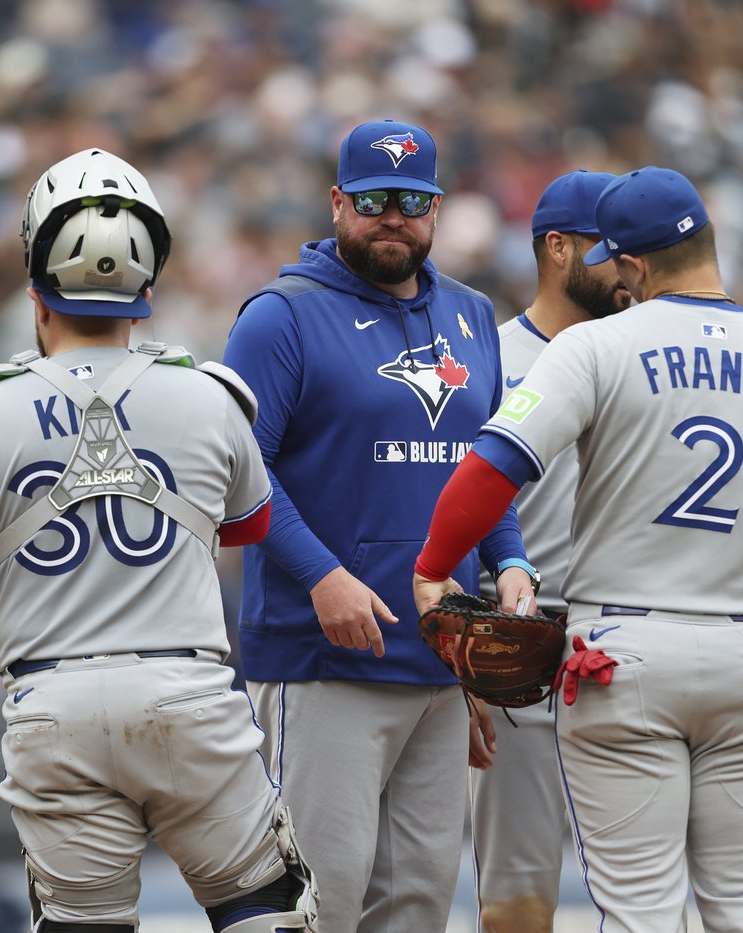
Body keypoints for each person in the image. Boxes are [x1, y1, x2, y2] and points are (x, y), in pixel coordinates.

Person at [412, 166, 743, 932]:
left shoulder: (598, 345)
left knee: (639, 913)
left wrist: (432, 569)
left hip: (623, 653)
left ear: (630, 263)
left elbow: (488, 470)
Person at [0, 148, 317, 933]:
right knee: (264, 912)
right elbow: (251, 525)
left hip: (52, 702)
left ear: (35, 286)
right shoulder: (211, 393)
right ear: (147, 289)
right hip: (188, 693)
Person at [221, 119, 536, 931]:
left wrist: (511, 564)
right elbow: (239, 474)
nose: (392, 216)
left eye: (411, 200)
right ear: (337, 202)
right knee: (316, 906)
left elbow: (487, 473)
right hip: (323, 660)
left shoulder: (471, 315)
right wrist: (324, 576)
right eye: (372, 200)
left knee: (418, 910)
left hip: (436, 661)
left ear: (435, 207)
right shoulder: (281, 316)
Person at [468, 169, 630, 933]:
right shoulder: (485, 358)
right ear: (557, 248)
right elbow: (458, 516)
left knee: (647, 897)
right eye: (610, 247)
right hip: (521, 647)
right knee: (516, 899)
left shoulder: (646, 356)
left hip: (632, 643)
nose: (628, 262)